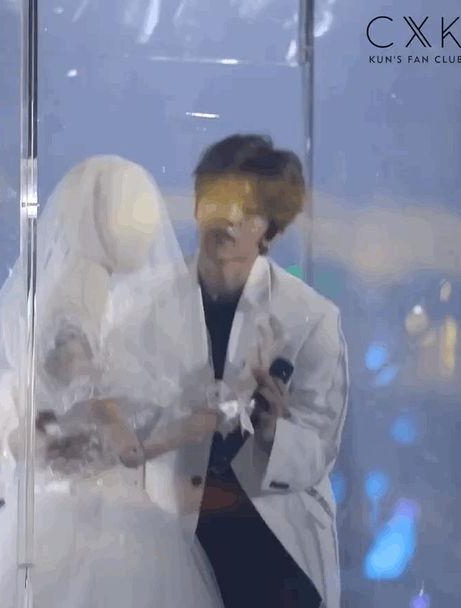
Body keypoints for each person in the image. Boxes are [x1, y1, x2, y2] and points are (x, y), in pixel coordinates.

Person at [0, 156, 222, 608]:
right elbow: (75, 364)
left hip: (76, 504)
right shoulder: (80, 288)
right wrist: (121, 423)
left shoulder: (82, 287)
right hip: (95, 516)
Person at [145, 134, 349, 608]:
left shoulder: (311, 317)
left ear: (270, 231)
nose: (229, 217)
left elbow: (320, 448)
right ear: (198, 205)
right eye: (219, 199)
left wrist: (273, 432)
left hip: (269, 538)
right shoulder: (146, 304)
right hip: (169, 533)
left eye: (250, 209)